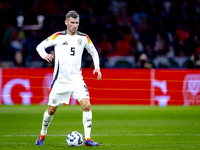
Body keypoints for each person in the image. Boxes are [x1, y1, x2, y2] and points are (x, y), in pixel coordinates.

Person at [35, 10, 102, 146]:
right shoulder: (58, 36)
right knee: (51, 110)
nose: (74, 26)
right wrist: (45, 55)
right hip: (60, 81)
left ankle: (88, 139)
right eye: (72, 23)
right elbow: (40, 47)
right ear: (66, 22)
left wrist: (97, 67)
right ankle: (42, 134)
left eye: (77, 23)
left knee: (87, 105)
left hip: (77, 80)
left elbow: (93, 52)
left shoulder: (83, 38)